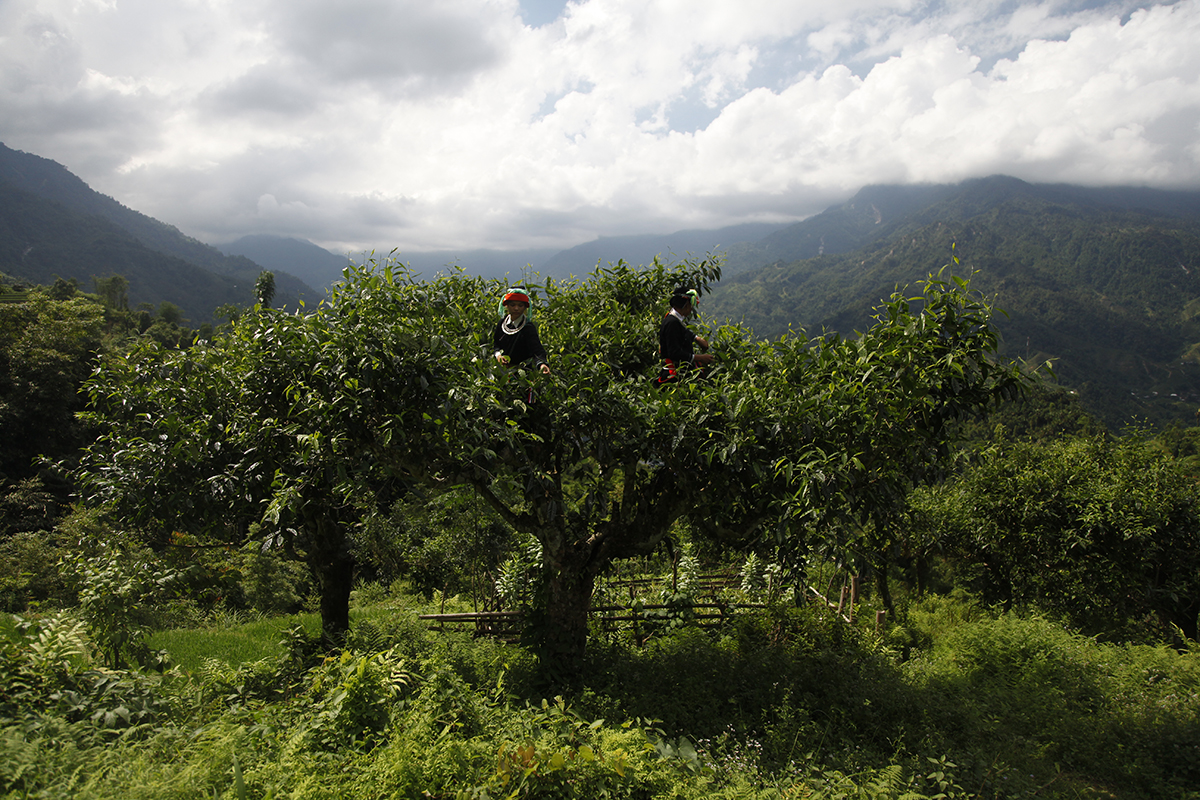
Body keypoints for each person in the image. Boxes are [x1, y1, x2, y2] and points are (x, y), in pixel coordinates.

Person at [655, 287, 713, 388]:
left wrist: (696, 338)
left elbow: (683, 331)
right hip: (675, 376)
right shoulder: (672, 323)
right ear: (686, 305)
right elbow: (674, 353)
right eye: (691, 305)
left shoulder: (674, 319)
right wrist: (700, 358)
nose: (691, 309)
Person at [493, 286, 551, 375]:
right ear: (507, 306)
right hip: (503, 372)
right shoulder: (502, 323)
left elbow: (537, 350)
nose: (516, 308)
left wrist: (542, 364)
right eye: (513, 305)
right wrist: (498, 356)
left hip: (523, 373)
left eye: (520, 305)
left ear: (525, 307)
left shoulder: (528, 327)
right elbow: (496, 344)